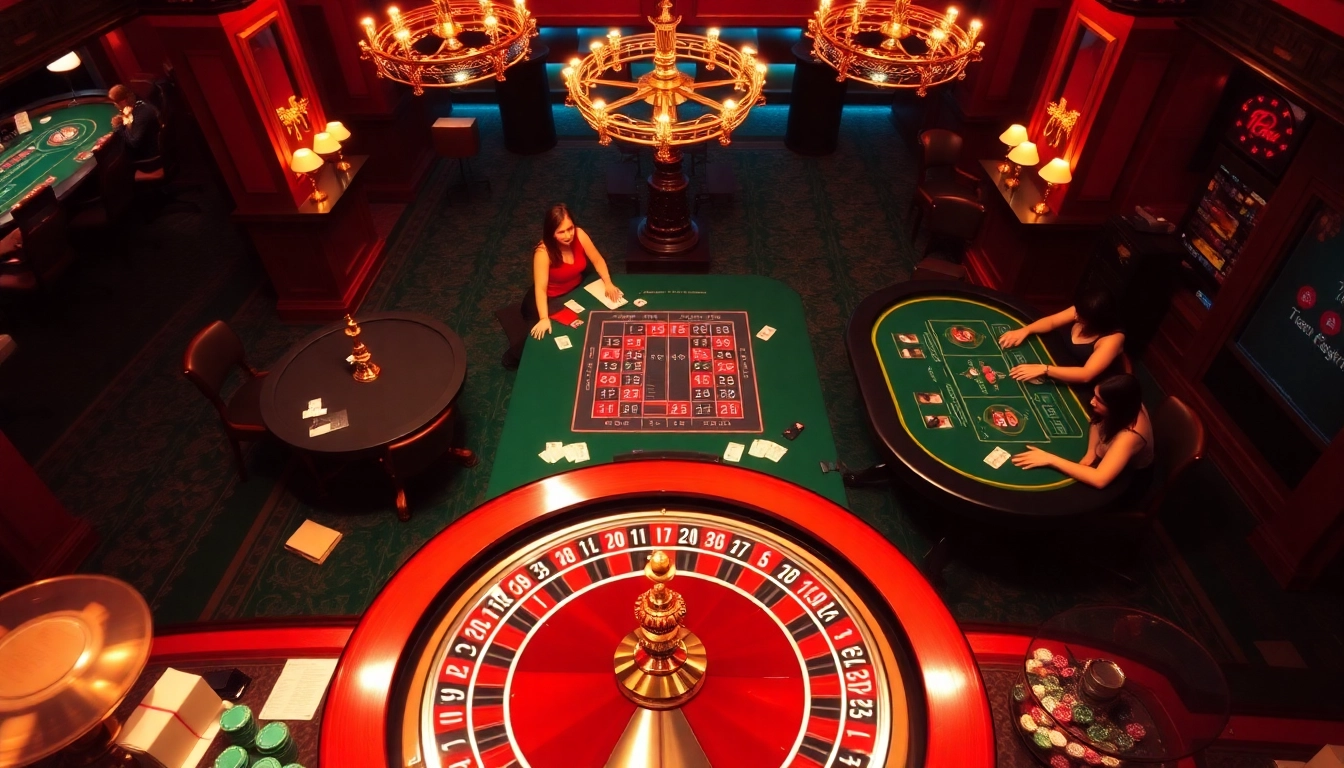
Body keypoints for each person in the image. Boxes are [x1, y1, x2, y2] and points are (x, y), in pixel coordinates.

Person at [502, 204, 621, 369]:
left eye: (570, 228)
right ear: (551, 233)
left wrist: (608, 283)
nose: (568, 235)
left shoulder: (580, 235)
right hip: (549, 299)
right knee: (543, 339)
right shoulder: (543, 252)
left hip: (574, 290)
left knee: (585, 328)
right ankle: (512, 357)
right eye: (561, 232)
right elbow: (541, 289)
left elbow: (598, 260)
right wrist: (544, 318)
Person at [1011, 374, 1154, 490]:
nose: (1092, 402)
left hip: (1129, 482)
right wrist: (1091, 451)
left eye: (1099, 400)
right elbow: (1098, 422)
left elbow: (1100, 479)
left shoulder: (1129, 437)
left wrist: (1050, 459)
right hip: (1109, 456)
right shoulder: (1125, 402)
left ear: (1116, 407)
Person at [997, 289, 1125, 384]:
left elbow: (1086, 374)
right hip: (1063, 361)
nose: (1075, 316)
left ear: (1097, 320)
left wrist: (1045, 369)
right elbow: (1052, 322)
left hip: (1095, 385)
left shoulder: (1112, 339)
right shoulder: (1084, 310)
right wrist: (1025, 330)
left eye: (1081, 316)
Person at [108, 84, 161, 163]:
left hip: (151, 159)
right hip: (155, 148)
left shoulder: (141, 115)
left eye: (115, 103)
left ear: (123, 101)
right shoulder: (140, 104)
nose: (115, 106)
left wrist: (118, 126)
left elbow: (133, 142)